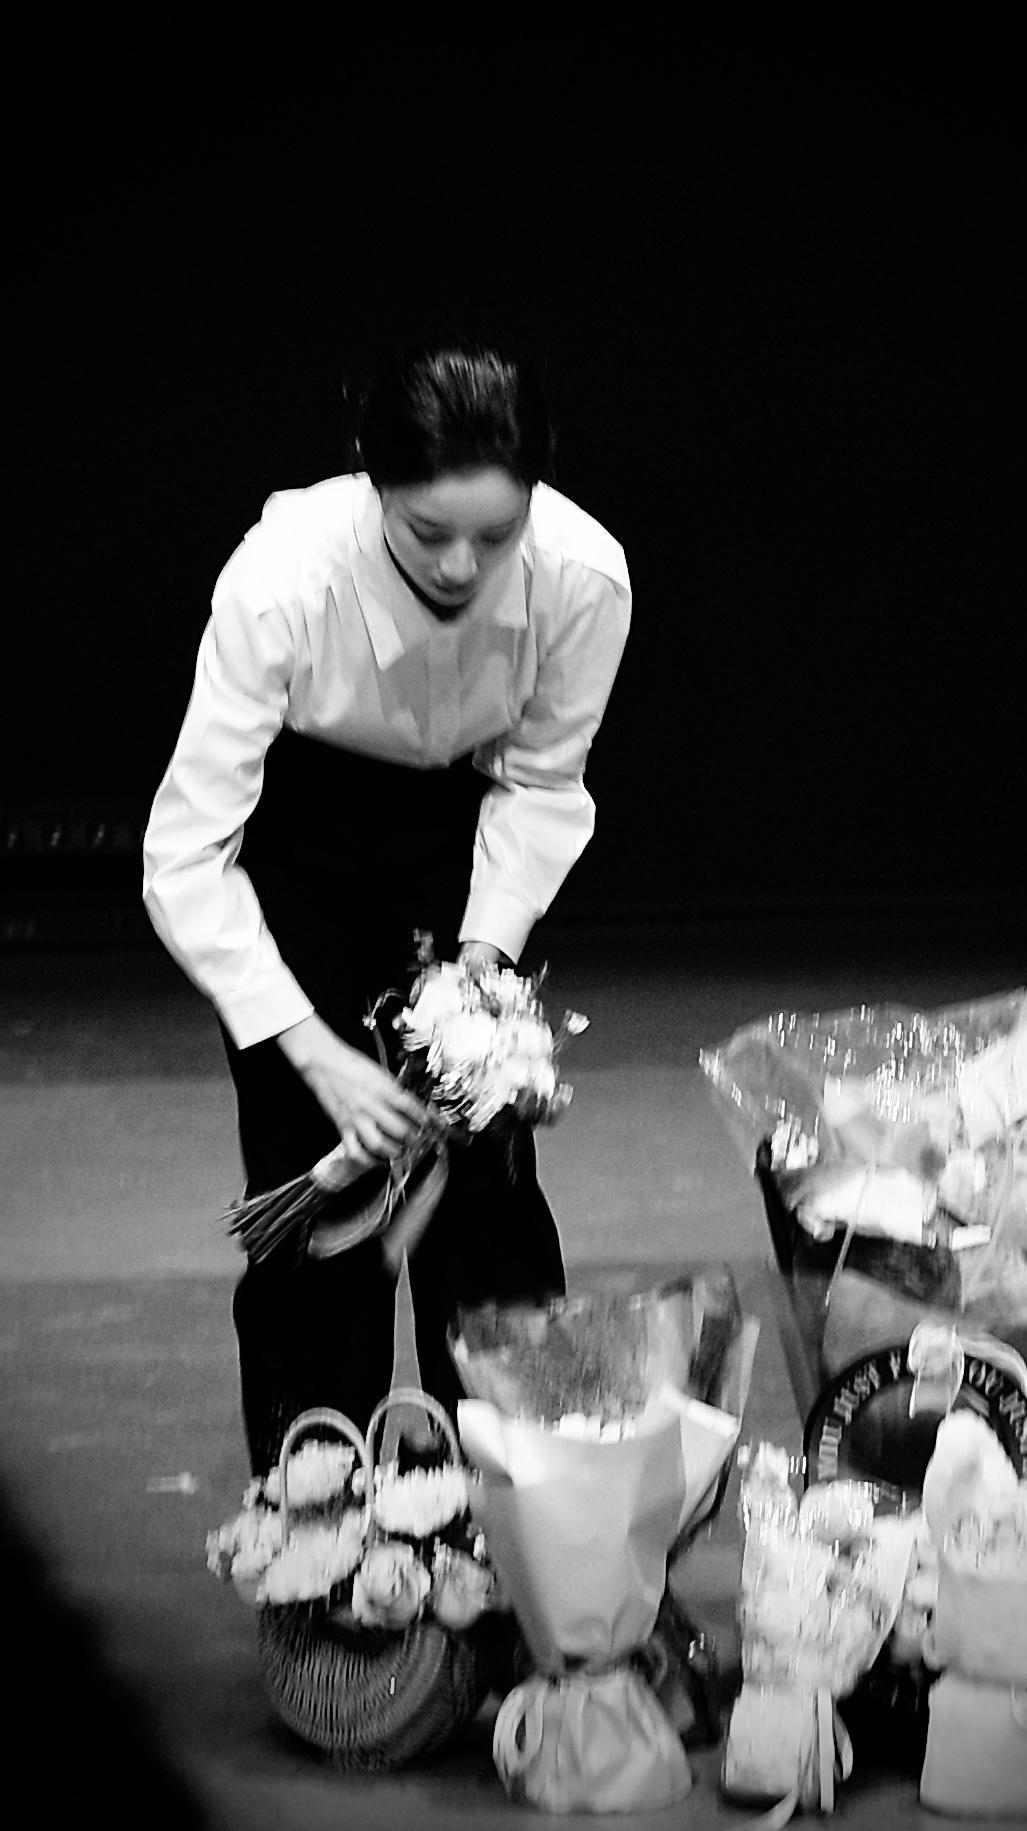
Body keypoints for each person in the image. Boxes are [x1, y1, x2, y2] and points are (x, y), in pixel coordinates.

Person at [142, 337, 631, 1473]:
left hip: (462, 838)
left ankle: (522, 1513)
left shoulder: (582, 574)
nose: (462, 565)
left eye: (495, 536)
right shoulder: (282, 577)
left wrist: (479, 971)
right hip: (300, 838)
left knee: (488, 1195)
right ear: (372, 478)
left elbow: (542, 782)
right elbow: (185, 854)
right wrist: (311, 1050)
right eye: (427, 532)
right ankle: (318, 1521)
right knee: (320, 1200)